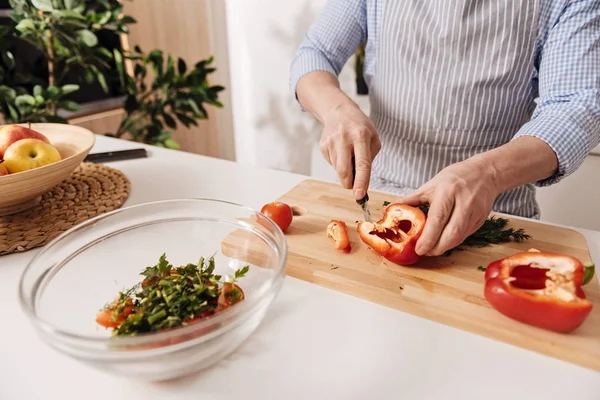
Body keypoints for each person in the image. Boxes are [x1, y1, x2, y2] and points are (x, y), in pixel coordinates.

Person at [290, 0, 600, 257]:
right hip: (381, 197)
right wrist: (337, 109)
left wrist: (488, 173)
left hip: (497, 223)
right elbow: (315, 52)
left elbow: (576, 106)